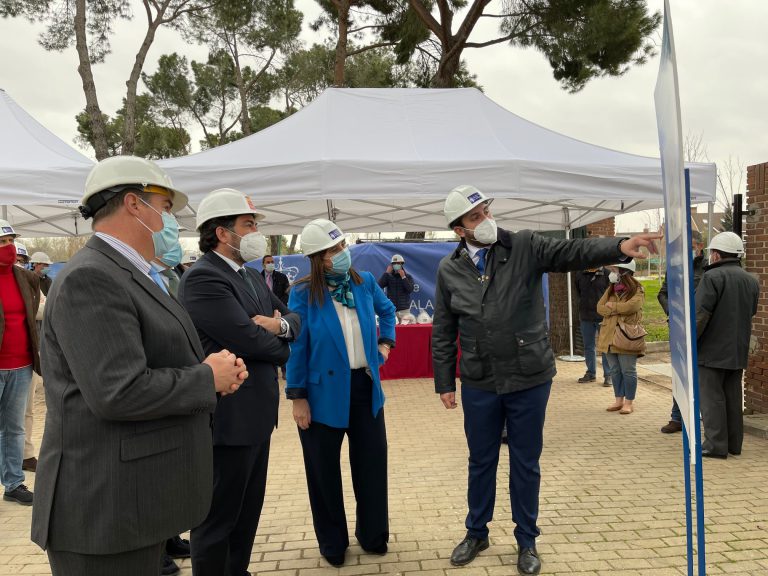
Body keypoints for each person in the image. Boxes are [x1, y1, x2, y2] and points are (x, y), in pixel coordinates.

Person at [31, 156, 248, 576]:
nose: (170, 221)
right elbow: (118, 391)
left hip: (132, 503)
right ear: (134, 204)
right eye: (165, 207)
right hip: (105, 512)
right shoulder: (91, 277)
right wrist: (206, 378)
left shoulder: (133, 274)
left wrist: (207, 370)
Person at [431, 185, 660, 575]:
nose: (485, 220)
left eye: (486, 211)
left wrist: (620, 246)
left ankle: (527, 540)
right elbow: (443, 328)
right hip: (480, 379)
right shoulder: (449, 269)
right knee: (481, 460)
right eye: (475, 217)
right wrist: (444, 382)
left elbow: (572, 251)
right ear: (459, 230)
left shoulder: (523, 245)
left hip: (529, 376)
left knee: (525, 461)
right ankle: (476, 532)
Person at [179, 187, 300, 576]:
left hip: (257, 416)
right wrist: (281, 345)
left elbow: (293, 317)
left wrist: (279, 327)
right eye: (248, 224)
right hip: (229, 419)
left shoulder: (248, 275)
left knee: (247, 512)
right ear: (221, 232)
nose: (256, 233)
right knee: (219, 518)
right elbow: (248, 339)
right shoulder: (203, 278)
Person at [286, 219, 396, 567]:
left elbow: (388, 311)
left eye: (342, 246)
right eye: (333, 250)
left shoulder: (363, 282)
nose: (341, 253)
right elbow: (297, 346)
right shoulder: (303, 292)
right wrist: (297, 396)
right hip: (321, 395)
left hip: (364, 389)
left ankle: (373, 535)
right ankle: (332, 542)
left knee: (372, 466)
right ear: (317, 258)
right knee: (323, 473)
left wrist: (385, 345)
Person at [695, 232, 759, 459]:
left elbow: (700, 315)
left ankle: (715, 445)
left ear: (716, 254)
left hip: (711, 351)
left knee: (711, 399)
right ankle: (733, 444)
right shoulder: (751, 280)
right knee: (733, 398)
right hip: (737, 349)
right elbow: (751, 312)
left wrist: (689, 342)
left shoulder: (712, 277)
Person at [0, 219, 40, 506]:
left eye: (11, 240)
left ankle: (13, 483)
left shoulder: (26, 278)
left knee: (14, 429)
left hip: (21, 365)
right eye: (2, 242)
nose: (9, 247)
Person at [657, 230, 705, 433]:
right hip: (678, 328)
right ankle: (677, 417)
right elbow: (662, 294)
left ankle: (702, 415)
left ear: (700, 246)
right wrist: (673, 310)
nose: (688, 251)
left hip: (702, 329)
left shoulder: (708, 269)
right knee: (679, 372)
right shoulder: (674, 268)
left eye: (691, 247)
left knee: (702, 374)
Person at [597, 260, 645, 415]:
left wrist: (613, 307)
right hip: (608, 336)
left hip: (626, 337)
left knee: (628, 370)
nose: (611, 272)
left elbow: (632, 307)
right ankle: (619, 400)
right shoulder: (611, 289)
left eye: (614, 269)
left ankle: (629, 402)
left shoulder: (637, 289)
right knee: (615, 370)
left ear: (624, 271)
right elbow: (600, 308)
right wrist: (617, 309)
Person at [22, 251, 52, 473]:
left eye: (21, 261)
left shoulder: (30, 281)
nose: (17, 264)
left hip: (26, 354)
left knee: (27, 409)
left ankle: (25, 454)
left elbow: (44, 308)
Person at [574, 267, 611, 385]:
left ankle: (608, 375)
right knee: (588, 346)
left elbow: (611, 295)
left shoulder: (607, 274)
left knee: (605, 347)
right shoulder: (580, 274)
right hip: (585, 317)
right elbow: (578, 293)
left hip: (603, 317)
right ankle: (591, 373)